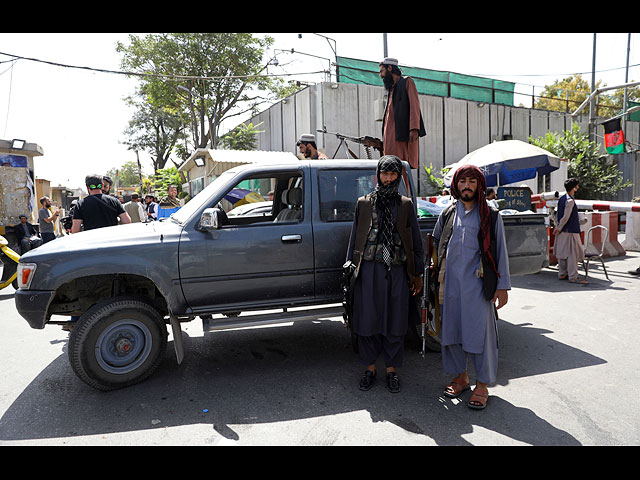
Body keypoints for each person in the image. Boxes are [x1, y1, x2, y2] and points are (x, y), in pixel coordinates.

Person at [432, 164, 510, 410]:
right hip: (450, 286)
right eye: (463, 181)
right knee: (452, 333)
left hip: (477, 287)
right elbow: (436, 246)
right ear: (456, 185)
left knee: (481, 336)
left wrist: (503, 286)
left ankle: (483, 384)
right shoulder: (447, 214)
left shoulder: (490, 215)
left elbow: (501, 253)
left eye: (472, 182)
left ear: (479, 186)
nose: (467, 186)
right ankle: (461, 377)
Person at [346, 155, 424, 393]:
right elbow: (355, 239)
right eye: (384, 173)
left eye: (392, 174)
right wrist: (351, 269)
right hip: (369, 270)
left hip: (397, 271)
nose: (388, 178)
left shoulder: (405, 204)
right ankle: (370, 368)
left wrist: (417, 273)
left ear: (398, 177)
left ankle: (392, 370)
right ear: (377, 175)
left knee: (395, 319)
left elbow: (415, 241)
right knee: (368, 318)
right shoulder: (364, 203)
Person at [379, 58, 426, 170]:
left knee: (401, 168)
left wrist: (414, 129)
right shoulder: (391, 89)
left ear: (390, 68)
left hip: (401, 137)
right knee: (389, 168)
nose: (381, 75)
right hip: (389, 139)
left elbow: (414, 106)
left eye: (382, 71)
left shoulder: (407, 82)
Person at [554, 178, 588, 284]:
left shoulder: (562, 198)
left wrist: (558, 227)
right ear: (574, 187)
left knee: (563, 253)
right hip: (570, 231)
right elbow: (566, 217)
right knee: (573, 254)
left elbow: (558, 215)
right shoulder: (570, 201)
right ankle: (573, 276)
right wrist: (559, 227)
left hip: (563, 230)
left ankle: (562, 273)